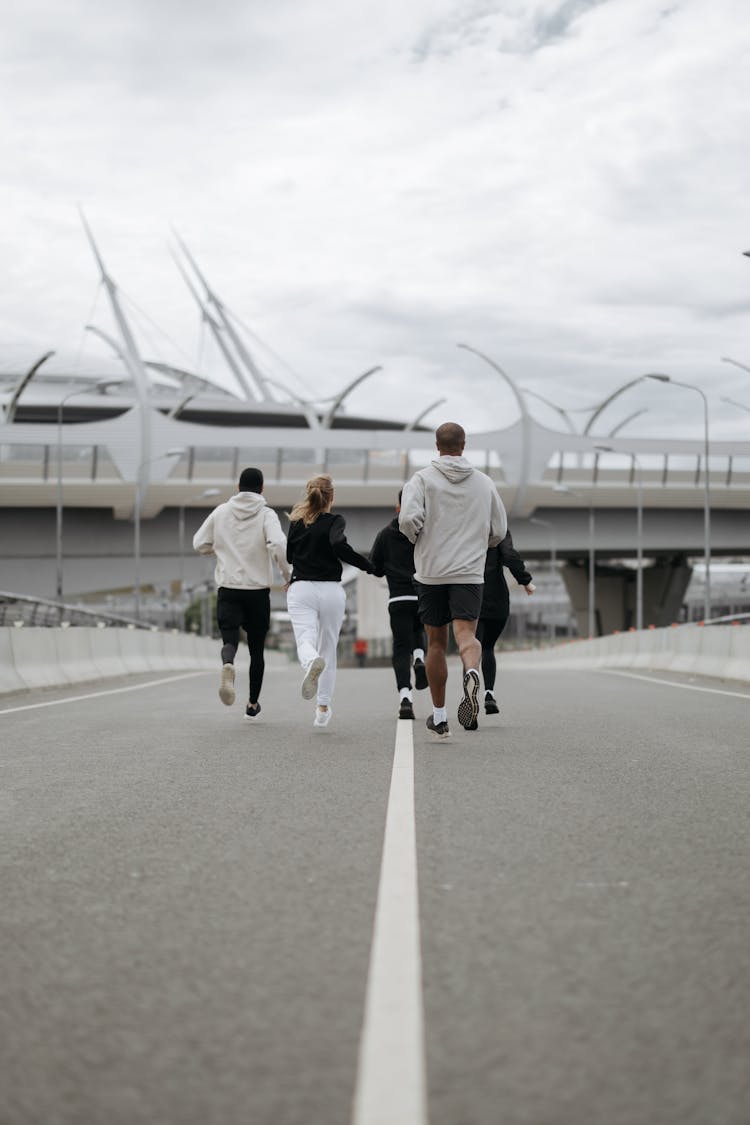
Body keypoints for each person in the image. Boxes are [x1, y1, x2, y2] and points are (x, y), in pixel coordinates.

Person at [399, 422, 508, 738]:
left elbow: (407, 520)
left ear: (437, 445)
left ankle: (439, 716)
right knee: (466, 635)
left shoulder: (421, 480)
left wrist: (417, 537)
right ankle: (472, 672)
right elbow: (499, 530)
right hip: (469, 572)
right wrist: (478, 547)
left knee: (435, 642)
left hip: (432, 570)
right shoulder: (484, 483)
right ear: (464, 445)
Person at [193, 466, 291, 719]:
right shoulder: (266, 514)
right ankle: (252, 704)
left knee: (229, 640)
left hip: (228, 587)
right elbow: (279, 545)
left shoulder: (221, 511)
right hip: (257, 591)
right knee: (257, 650)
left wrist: (219, 551)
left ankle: (228, 664)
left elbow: (199, 542)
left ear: (238, 487)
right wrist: (286, 575)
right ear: (262, 489)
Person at [286, 474, 374, 728]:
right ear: (331, 497)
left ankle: (310, 661)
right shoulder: (336, 520)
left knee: (305, 639)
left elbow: (291, 557)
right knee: (329, 649)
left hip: (301, 587)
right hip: (331, 592)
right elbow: (338, 545)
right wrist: (367, 566)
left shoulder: (295, 521)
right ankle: (322, 707)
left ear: (308, 494)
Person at [369, 489, 429, 721]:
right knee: (419, 630)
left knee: (399, 649)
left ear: (398, 507)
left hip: (398, 598)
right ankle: (419, 657)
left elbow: (375, 567)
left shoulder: (385, 534)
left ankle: (405, 699)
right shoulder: (425, 532)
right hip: (421, 594)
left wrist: (387, 568)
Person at [478, 531, 535, 715]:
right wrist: (525, 581)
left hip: (471, 595)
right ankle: (489, 694)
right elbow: (509, 555)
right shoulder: (499, 528)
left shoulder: (465, 521)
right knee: (487, 647)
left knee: (470, 647)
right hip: (497, 599)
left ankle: (469, 698)